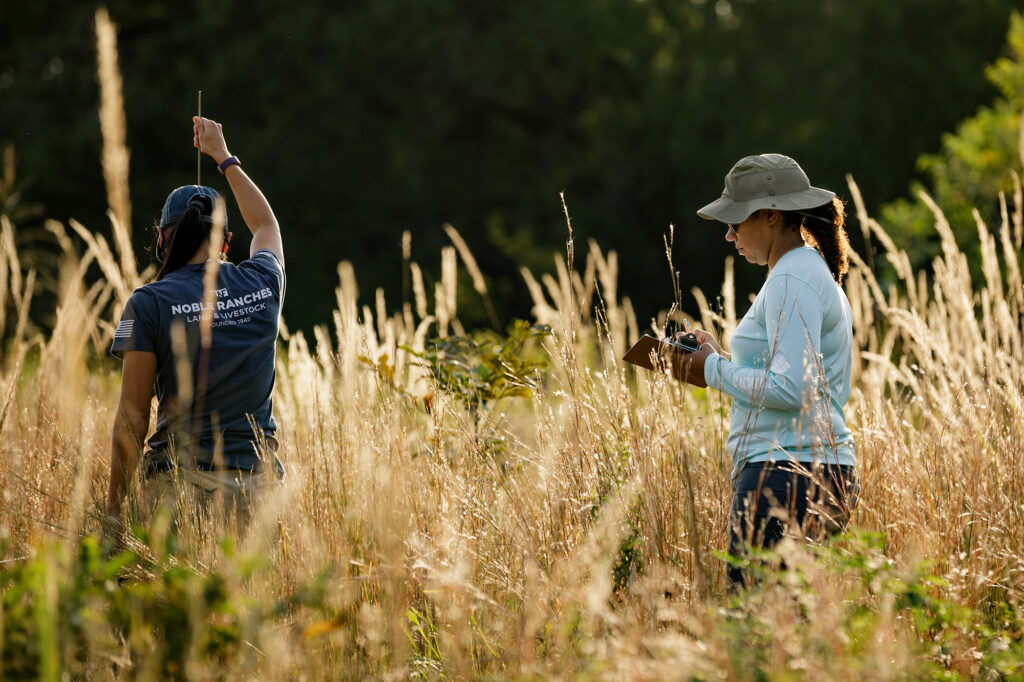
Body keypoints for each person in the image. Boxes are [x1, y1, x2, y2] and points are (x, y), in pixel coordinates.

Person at [673, 153, 858, 586]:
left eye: (736, 222)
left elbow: (792, 389)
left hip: (785, 475)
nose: (729, 234)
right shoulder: (805, 272)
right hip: (810, 471)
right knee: (791, 636)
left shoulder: (793, 277)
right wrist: (719, 359)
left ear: (772, 216)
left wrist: (713, 370)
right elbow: (789, 378)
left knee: (757, 633)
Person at [106, 116, 285, 527]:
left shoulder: (148, 303)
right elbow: (266, 225)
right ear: (225, 242)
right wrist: (223, 156)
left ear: (163, 239)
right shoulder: (263, 282)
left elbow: (133, 417)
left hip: (178, 496)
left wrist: (115, 515)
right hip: (257, 497)